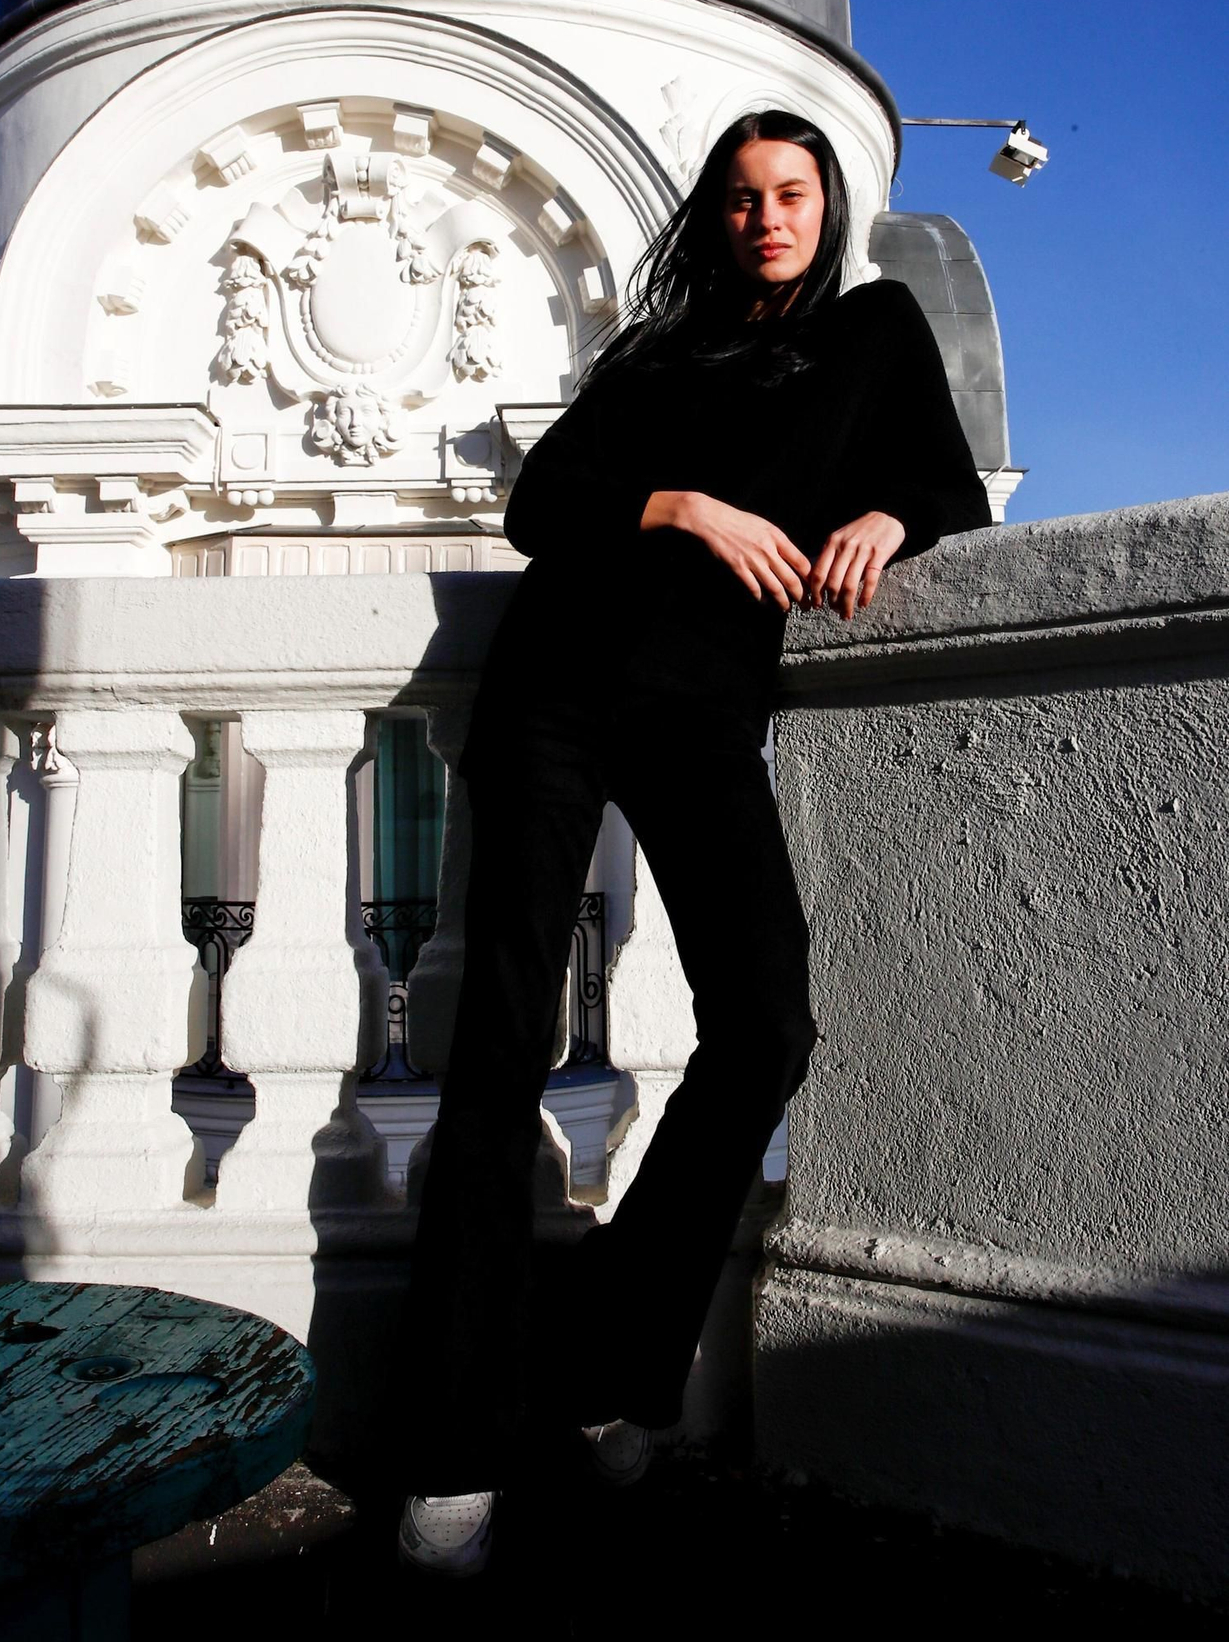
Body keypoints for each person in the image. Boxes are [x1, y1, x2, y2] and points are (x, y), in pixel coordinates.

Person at [396, 110, 994, 1577]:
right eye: (740, 198)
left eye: (789, 194)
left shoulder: (873, 328)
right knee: (498, 1048)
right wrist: (682, 506)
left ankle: (606, 1357)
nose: (764, 218)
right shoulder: (656, 351)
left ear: (827, 204)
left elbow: (949, 487)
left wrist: (881, 517)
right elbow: (543, 505)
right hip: (551, 699)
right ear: (713, 216)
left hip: (696, 717)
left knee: (763, 1024)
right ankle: (452, 1443)